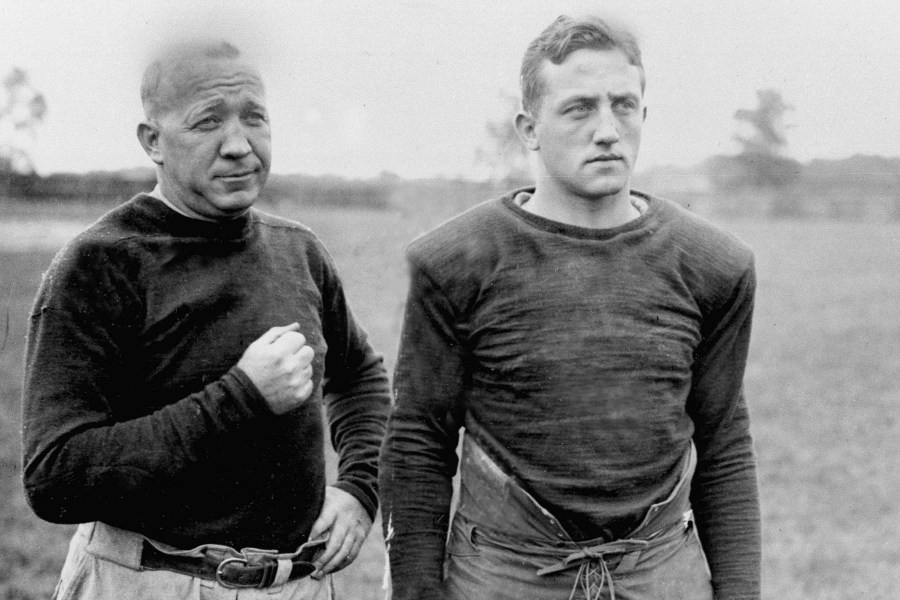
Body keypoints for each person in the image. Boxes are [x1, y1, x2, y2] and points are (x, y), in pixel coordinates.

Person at [380, 14, 760, 600]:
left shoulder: (715, 264)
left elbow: (724, 441)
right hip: (504, 574)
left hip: (661, 572)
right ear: (530, 129)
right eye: (580, 108)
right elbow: (418, 443)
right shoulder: (453, 262)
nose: (608, 129)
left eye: (624, 105)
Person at [21, 40, 390, 599]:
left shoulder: (300, 252)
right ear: (153, 142)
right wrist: (241, 396)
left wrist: (360, 488)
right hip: (149, 581)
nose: (239, 145)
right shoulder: (100, 263)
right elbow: (54, 477)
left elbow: (360, 377)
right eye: (207, 122)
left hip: (297, 585)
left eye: (255, 118)